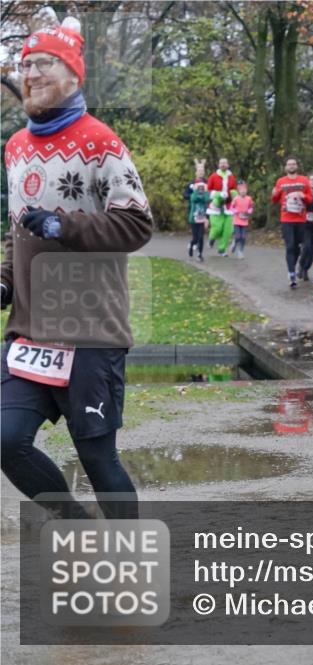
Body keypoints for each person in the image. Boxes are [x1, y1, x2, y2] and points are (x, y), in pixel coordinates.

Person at [1, 17, 153, 520]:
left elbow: (136, 224)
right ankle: (75, 524)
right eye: (26, 65)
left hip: (91, 331)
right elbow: (19, 228)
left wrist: (65, 227)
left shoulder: (100, 142)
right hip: (30, 330)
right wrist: (4, 279)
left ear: (73, 74)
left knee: (97, 457)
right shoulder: (16, 147)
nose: (31, 73)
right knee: (6, 441)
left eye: (44, 63)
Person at [271, 157, 313, 288]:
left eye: (293, 164)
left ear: (297, 166)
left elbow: (310, 199)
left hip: (300, 219)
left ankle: (293, 268)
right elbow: (274, 200)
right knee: (290, 246)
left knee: (297, 247)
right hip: (286, 219)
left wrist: (303, 196)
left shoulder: (304, 180)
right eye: (289, 164)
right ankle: (291, 273)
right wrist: (274, 194)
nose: (291, 166)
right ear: (286, 167)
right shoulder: (280, 181)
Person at [207, 157, 236, 257]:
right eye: (221, 163)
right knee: (217, 228)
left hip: (228, 206)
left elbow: (234, 189)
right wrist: (217, 194)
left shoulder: (231, 177)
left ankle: (222, 249)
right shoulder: (213, 176)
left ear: (228, 165)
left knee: (228, 229)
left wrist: (234, 194)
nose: (223, 165)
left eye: (225, 163)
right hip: (216, 205)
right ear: (218, 165)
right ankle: (212, 238)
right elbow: (208, 190)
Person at [185, 177, 209, 261]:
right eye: (200, 187)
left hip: (202, 219)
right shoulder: (193, 194)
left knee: (201, 237)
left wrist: (205, 190)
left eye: (202, 187)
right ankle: (191, 246)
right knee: (195, 239)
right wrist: (195, 190)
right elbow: (193, 199)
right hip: (194, 219)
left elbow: (206, 199)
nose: (201, 188)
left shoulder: (205, 194)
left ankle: (200, 254)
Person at [228, 179, 253, 259]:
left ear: (246, 190)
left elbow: (250, 207)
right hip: (237, 221)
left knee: (243, 237)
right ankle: (234, 243)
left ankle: (241, 251)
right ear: (238, 190)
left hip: (244, 220)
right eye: (241, 190)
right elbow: (231, 207)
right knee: (238, 236)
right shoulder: (236, 199)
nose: (243, 191)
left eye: (244, 190)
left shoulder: (249, 198)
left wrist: (249, 211)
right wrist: (237, 211)